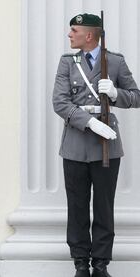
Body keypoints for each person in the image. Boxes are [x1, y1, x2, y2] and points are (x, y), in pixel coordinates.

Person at [53, 13, 140, 277]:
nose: (70, 35)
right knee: (77, 206)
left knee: (104, 205)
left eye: (74, 30)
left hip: (107, 144)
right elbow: (59, 102)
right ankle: (81, 263)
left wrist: (115, 94)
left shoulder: (115, 61)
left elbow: (136, 97)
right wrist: (89, 123)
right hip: (77, 142)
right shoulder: (68, 62)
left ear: (89, 35)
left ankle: (100, 264)